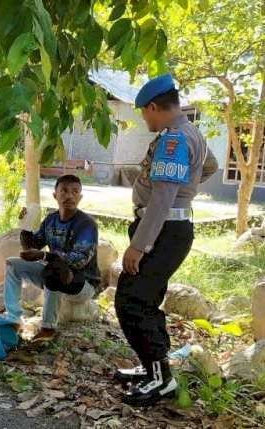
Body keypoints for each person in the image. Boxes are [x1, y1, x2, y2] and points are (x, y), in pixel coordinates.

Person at [114, 73, 218, 407]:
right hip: (169, 229)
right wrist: (188, 186)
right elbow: (211, 165)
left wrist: (138, 246)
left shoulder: (173, 139)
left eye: (144, 112)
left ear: (155, 107)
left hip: (162, 231)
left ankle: (162, 380)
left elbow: (162, 198)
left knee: (131, 302)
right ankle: (153, 370)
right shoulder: (192, 133)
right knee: (146, 300)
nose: (144, 118)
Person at [3, 174, 100, 343]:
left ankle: (48, 328)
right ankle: (14, 320)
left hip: (82, 285)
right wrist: (25, 226)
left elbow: (81, 258)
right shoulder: (51, 220)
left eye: (75, 191)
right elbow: (32, 247)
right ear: (55, 195)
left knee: (55, 269)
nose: (69, 196)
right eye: (64, 191)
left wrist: (45, 255)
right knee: (12, 264)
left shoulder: (87, 224)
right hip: (55, 276)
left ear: (80, 197)